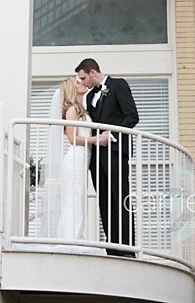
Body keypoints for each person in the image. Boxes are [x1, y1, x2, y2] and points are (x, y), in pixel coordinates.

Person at [75, 58, 139, 258]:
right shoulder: (91, 95)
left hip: (116, 152)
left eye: (84, 78)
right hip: (97, 159)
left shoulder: (118, 85)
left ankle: (127, 249)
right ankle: (112, 249)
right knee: (105, 203)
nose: (83, 82)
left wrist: (110, 136)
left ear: (93, 72)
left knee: (120, 199)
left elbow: (132, 116)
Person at [54, 76, 108, 253]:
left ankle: (75, 235)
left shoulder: (81, 109)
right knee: (73, 197)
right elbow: (72, 138)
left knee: (78, 197)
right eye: (78, 82)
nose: (82, 83)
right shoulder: (71, 110)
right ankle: (70, 239)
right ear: (71, 89)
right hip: (76, 158)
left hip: (83, 158)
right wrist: (97, 139)